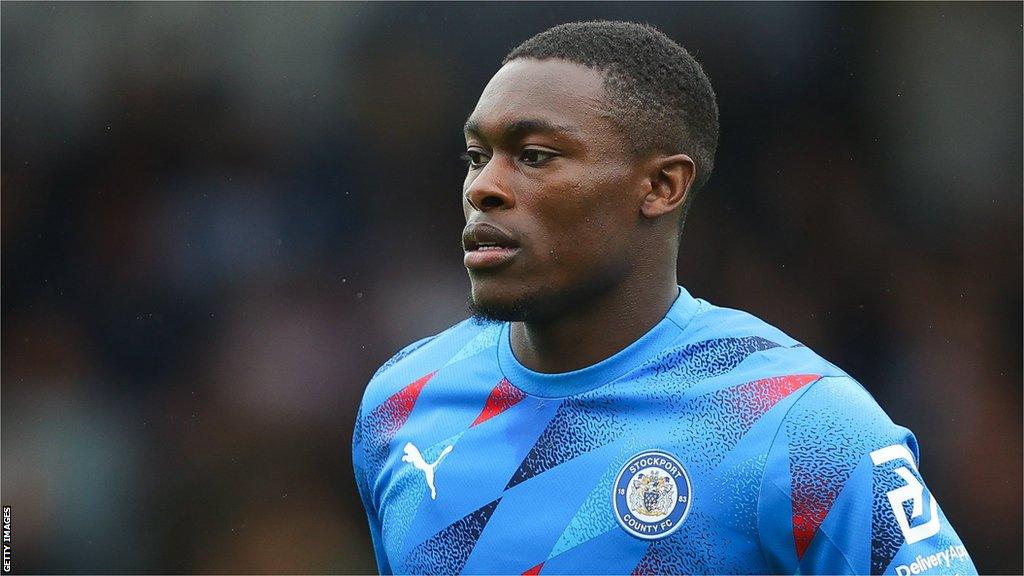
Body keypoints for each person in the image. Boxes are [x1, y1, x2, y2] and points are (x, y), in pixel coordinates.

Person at [352, 20, 976, 575]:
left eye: (534, 156)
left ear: (660, 185)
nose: (483, 187)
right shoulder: (403, 402)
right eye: (476, 156)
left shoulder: (797, 421)